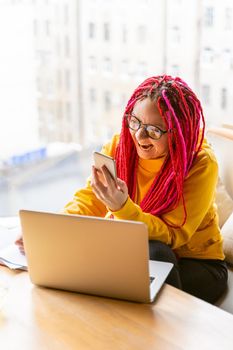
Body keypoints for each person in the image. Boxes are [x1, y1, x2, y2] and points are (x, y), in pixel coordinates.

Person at [16, 75, 228, 304]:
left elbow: (173, 236)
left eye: (154, 130)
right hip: (134, 254)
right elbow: (91, 198)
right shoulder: (120, 145)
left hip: (197, 264)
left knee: (155, 253)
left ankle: (160, 334)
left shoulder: (200, 162)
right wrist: (49, 231)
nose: (139, 136)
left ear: (178, 132)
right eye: (134, 122)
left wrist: (121, 207)